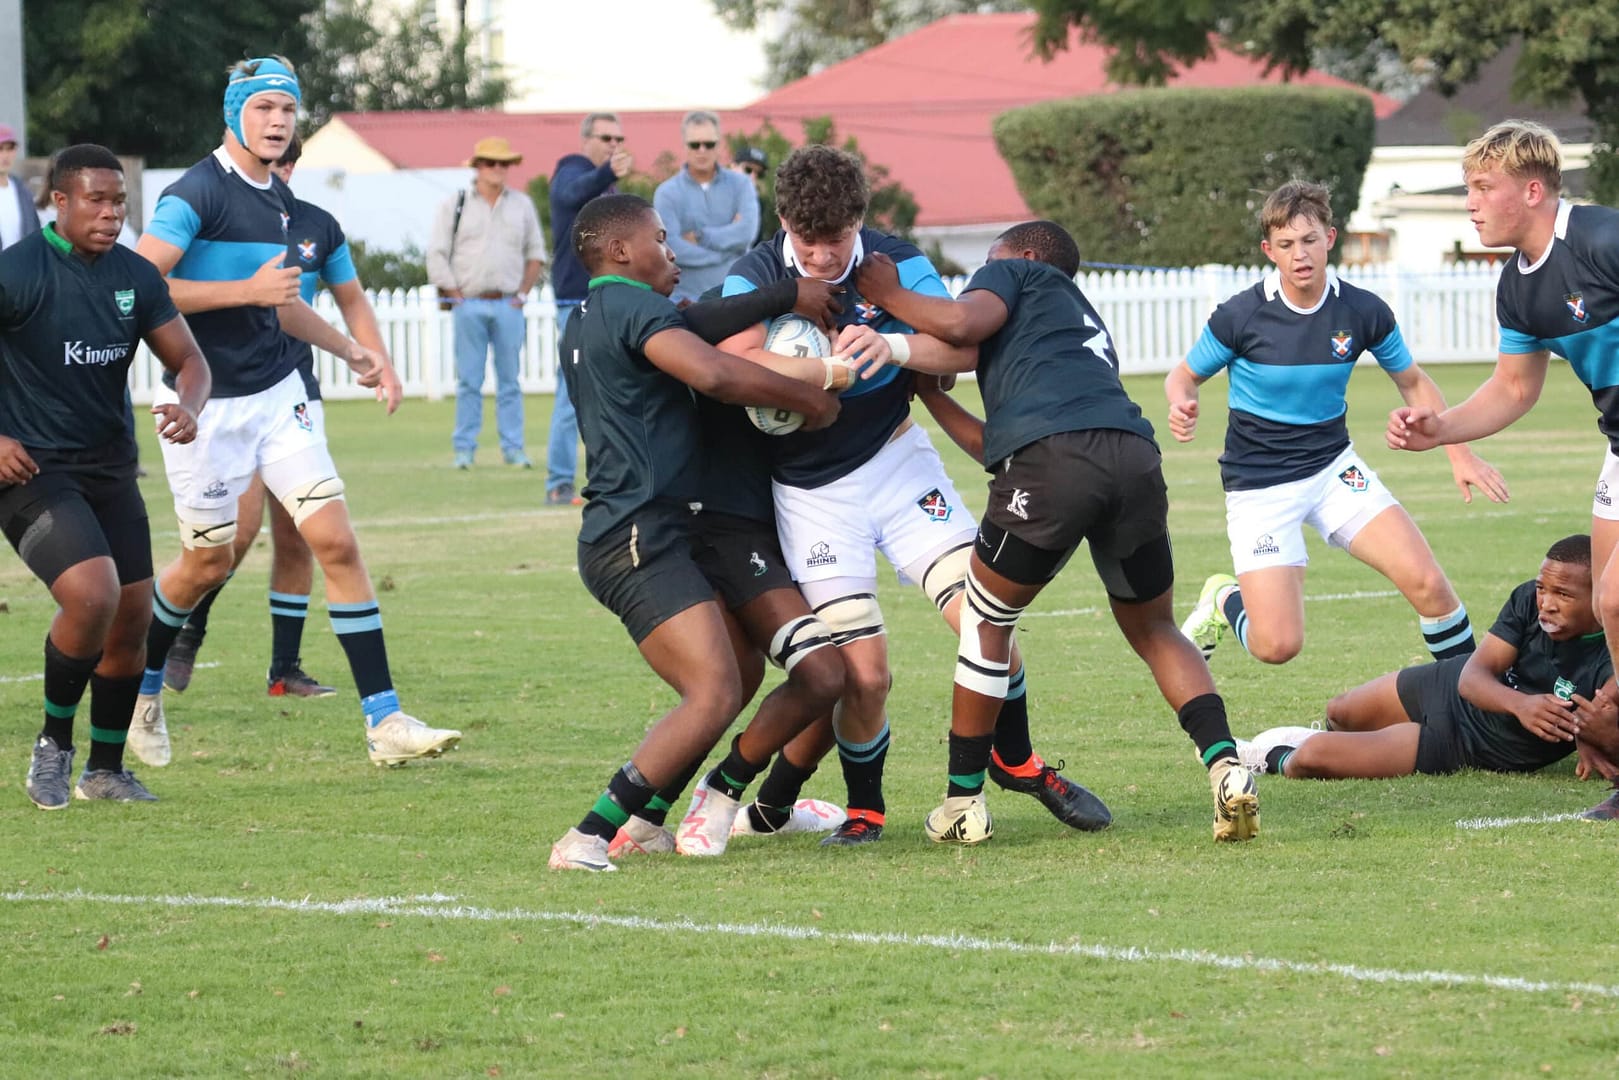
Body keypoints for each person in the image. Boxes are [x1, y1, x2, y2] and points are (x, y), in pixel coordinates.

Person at [720, 145, 1105, 845]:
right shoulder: (756, 273)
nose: (819, 257)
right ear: (781, 221)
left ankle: (1016, 760)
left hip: (899, 466)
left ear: (859, 222)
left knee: (986, 622)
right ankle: (865, 810)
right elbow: (732, 358)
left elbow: (962, 349)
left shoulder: (895, 262)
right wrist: (824, 370)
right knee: (864, 677)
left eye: (835, 240)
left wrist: (890, 347)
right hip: (810, 494)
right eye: (805, 241)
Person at [853, 219, 1258, 842]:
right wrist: (931, 396)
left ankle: (962, 804)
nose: (978, 279)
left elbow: (960, 325)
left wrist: (889, 296)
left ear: (1023, 256)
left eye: (987, 265)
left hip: (1055, 465)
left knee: (986, 621)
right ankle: (1226, 766)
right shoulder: (1077, 320)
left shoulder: (1014, 272)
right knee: (1155, 628)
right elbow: (997, 445)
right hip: (1134, 457)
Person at [132, 55, 460, 768]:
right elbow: (137, 283)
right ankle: (142, 685)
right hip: (203, 404)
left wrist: (354, 352)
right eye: (264, 108)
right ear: (233, 114)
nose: (278, 121)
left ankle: (384, 720)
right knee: (207, 561)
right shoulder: (195, 192)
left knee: (335, 542)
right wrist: (239, 293)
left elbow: (281, 304)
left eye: (287, 109)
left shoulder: (282, 203)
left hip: (280, 396)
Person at [547, 194, 842, 871]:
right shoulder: (633, 308)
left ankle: (648, 818)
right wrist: (810, 395)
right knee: (714, 691)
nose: (672, 251)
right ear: (621, 251)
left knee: (738, 674)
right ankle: (587, 836)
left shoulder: (590, 314)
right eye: (660, 238)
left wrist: (786, 296)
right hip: (636, 535)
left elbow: (695, 326)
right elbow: (712, 372)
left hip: (649, 532)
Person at [1169, 179, 1506, 668]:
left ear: (1330, 238)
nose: (1300, 254)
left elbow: (1413, 382)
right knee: (1277, 646)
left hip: (1334, 470)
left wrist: (1460, 453)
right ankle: (1224, 599)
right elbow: (1183, 376)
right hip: (1260, 486)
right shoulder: (1240, 316)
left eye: (1309, 240)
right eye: (1286, 244)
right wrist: (1182, 402)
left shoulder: (1363, 311)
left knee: (1430, 585)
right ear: (1269, 250)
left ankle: (1471, 701)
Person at [1386, 120, 1619, 821]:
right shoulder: (1516, 287)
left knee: (1614, 598)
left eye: (1483, 187)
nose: (1470, 203)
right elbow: (1514, 388)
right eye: (1468, 189)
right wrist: (1439, 430)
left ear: (1533, 190)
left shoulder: (1602, 239)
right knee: (1608, 606)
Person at [609, 279, 852, 859]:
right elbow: (699, 340)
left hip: (789, 528)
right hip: (723, 533)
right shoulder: (699, 333)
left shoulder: (819, 325)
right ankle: (716, 795)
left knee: (857, 677)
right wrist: (809, 373)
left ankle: (766, 810)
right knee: (807, 676)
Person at [1, 144, 211, 808]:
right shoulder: (16, 272)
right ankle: (53, 745)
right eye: (96, 200)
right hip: (31, 469)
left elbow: (191, 362)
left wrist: (189, 404)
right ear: (59, 201)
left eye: (119, 201)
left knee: (131, 620)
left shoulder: (135, 276)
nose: (111, 213)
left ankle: (106, 770)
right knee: (93, 597)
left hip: (111, 467)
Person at [162, 131, 405, 699]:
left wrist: (378, 362)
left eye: (288, 162)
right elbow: (153, 285)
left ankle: (285, 669)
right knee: (235, 536)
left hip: (293, 387)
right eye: (273, 160)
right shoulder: (217, 211)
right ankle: (185, 632)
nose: (280, 171)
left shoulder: (318, 226)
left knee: (304, 536)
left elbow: (350, 300)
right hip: (229, 393)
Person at [1238, 536, 1619, 798]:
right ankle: (1342, 741)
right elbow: (1472, 678)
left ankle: (1266, 758)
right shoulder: (1526, 600)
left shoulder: (1611, 656)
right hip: (1448, 685)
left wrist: (1594, 737)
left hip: (1465, 744)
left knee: (1311, 759)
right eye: (1542, 588)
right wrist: (1521, 705)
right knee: (1340, 710)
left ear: (1600, 596)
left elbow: (1605, 727)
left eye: (1563, 594)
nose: (1546, 604)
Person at [427, 135, 546, 470]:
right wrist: (455, 295)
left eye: (504, 163)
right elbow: (436, 253)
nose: (498, 169)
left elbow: (536, 253)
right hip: (470, 303)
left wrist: (522, 294)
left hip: (508, 303)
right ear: (478, 166)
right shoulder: (455, 203)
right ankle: (464, 450)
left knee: (510, 382)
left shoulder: (522, 205)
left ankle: (514, 448)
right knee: (469, 381)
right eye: (491, 162)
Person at [545, 112, 632, 506]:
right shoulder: (572, 169)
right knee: (573, 393)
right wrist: (606, 173)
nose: (613, 144)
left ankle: (609, 479)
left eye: (618, 138)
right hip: (575, 301)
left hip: (607, 295)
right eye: (606, 137)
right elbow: (570, 194)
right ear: (586, 140)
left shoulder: (605, 185)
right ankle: (559, 483)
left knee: (609, 392)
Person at [653, 111, 759, 303]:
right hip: (685, 302)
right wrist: (728, 252)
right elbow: (672, 248)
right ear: (684, 145)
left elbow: (747, 233)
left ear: (718, 145)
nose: (702, 150)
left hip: (736, 299)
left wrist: (701, 236)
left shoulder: (741, 185)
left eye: (709, 144)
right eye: (695, 144)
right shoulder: (666, 193)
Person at [0, 123, 42, 250]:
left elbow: (35, 233)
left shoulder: (23, 191)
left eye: (10, 149)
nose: (5, 155)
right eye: (0, 149)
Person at [733, 146, 773, 247]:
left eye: (759, 174)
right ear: (733, 166)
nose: (752, 176)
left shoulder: (758, 206)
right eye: (748, 170)